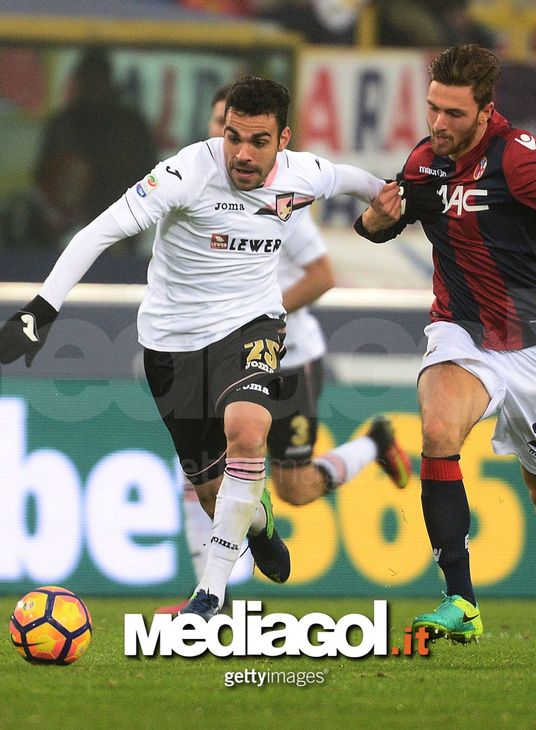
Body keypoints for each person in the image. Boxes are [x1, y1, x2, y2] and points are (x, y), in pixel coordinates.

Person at [0, 76, 387, 619]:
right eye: (233, 137)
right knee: (210, 491)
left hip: (254, 325)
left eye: (258, 141)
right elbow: (96, 233)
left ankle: (211, 596)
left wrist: (397, 204)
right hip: (171, 346)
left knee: (248, 430)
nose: (242, 155)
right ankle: (258, 523)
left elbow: (363, 182)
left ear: (284, 140)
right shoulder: (184, 173)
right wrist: (41, 310)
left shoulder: (304, 175)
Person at [354, 44, 536, 641]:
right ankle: (461, 601)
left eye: (454, 115)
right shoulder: (424, 163)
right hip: (461, 330)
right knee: (439, 432)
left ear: (486, 112)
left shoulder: (516, 159)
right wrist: (372, 222)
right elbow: (383, 226)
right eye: (432, 109)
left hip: (535, 345)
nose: (439, 125)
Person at [155, 85, 413, 614]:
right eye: (220, 128)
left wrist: (252, 314)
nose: (228, 145)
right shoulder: (198, 189)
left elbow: (322, 276)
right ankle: (213, 594)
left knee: (293, 489)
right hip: (221, 358)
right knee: (207, 479)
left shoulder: (281, 201)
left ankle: (374, 442)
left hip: (288, 358)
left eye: (248, 135)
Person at [5, 49, 157, 252]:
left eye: (98, 79)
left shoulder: (130, 126)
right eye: (87, 79)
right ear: (78, 81)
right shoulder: (63, 124)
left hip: (119, 236)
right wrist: (59, 218)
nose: (93, 86)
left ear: (108, 81)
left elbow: (150, 181)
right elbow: (43, 182)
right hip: (62, 236)